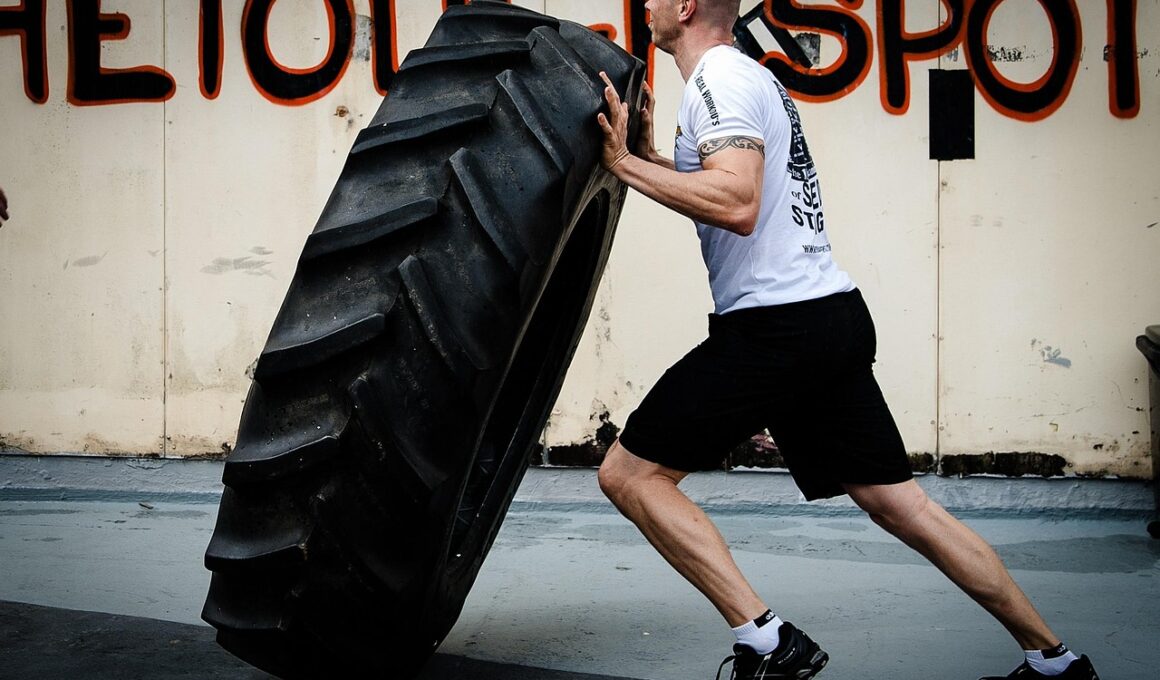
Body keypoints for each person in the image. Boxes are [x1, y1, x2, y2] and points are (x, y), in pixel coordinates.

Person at [593, 1, 1100, 679]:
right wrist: (650, 158)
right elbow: (734, 188)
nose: (647, 4)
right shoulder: (746, 77)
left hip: (776, 328)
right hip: (826, 316)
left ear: (685, 8)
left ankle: (770, 644)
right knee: (903, 505)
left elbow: (737, 203)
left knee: (630, 475)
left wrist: (624, 165)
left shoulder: (718, 78)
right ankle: (1056, 662)